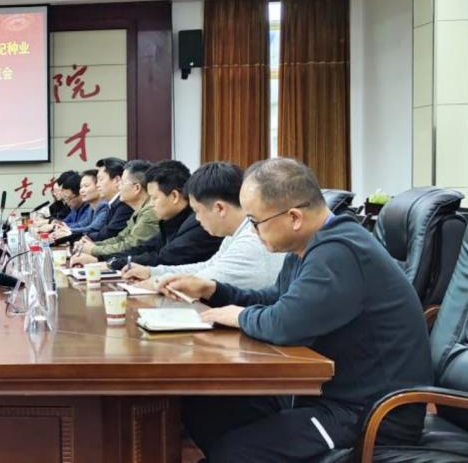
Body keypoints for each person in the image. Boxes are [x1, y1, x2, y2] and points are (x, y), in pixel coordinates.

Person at [164, 158, 433, 462]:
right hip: (324, 396)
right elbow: (275, 298)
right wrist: (214, 290)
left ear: (293, 217)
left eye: (255, 221)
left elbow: (284, 323)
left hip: (369, 414)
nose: (252, 231)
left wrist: (237, 316)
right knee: (206, 406)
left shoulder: (340, 252)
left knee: (235, 451)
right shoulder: (307, 246)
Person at [121, 161, 284, 291]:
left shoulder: (250, 241)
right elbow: (208, 266)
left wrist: (157, 281)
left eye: (197, 211)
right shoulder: (235, 233)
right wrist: (152, 272)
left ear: (219, 208)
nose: (197, 219)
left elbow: (200, 282)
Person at [105, 160, 221, 271]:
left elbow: (163, 258)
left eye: (154, 198)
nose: (151, 204)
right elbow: (146, 247)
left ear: (174, 196)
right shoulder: (171, 221)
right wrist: (109, 260)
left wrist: (115, 264)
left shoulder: (198, 223)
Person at [70, 160, 157, 264]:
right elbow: (120, 238)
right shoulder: (138, 211)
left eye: (122, 182)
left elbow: (130, 245)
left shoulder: (149, 212)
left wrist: (93, 249)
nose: (119, 186)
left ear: (137, 188)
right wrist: (93, 246)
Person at [81, 157, 133, 241]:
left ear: (117, 180)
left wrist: (84, 239)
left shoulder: (125, 205)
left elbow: (108, 234)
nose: (97, 185)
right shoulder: (112, 204)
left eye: (100, 179)